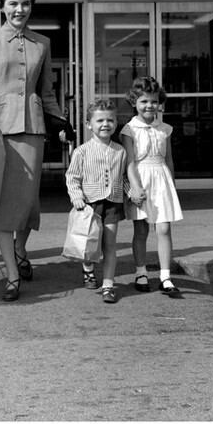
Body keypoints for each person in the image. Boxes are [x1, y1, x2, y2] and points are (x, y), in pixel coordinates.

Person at [0, 0, 71, 302]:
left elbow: (47, 91)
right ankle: (12, 274)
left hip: (33, 128)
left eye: (25, 3)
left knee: (28, 202)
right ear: (2, 6)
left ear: (31, 6)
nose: (19, 10)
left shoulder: (42, 43)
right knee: (3, 204)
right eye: (13, 3)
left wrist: (61, 124)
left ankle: (20, 248)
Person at [120, 76, 183, 297]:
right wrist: (135, 188)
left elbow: (169, 160)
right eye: (144, 101)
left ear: (160, 103)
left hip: (162, 180)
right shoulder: (129, 130)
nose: (149, 106)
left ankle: (165, 276)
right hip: (140, 178)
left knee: (164, 228)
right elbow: (129, 162)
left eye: (154, 101)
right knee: (141, 229)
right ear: (135, 103)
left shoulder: (164, 128)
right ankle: (141, 272)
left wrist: (172, 187)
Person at [65, 98, 127, 304]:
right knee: (89, 243)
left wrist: (131, 193)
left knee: (109, 245)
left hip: (113, 203)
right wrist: (77, 197)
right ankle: (88, 268)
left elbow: (124, 177)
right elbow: (72, 177)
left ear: (116, 123)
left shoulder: (120, 151)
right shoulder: (81, 151)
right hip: (89, 204)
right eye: (99, 120)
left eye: (110, 120)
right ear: (89, 124)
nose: (105, 124)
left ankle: (108, 285)